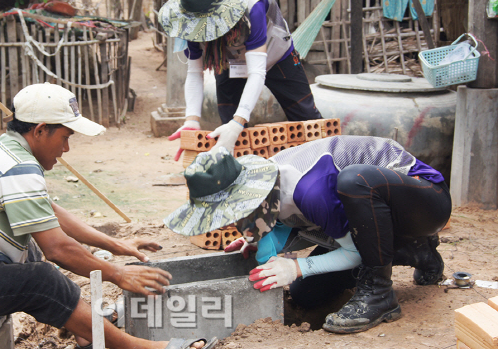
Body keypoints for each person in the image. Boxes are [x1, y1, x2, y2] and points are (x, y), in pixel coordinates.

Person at [0, 83, 216, 349]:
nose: (66, 149)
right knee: (40, 279)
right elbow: (58, 249)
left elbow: (48, 213)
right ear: (41, 130)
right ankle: (135, 347)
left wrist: (117, 243)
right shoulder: (18, 166)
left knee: (28, 249)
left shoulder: (5, 148)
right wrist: (119, 275)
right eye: (66, 136)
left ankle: (87, 331)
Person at [163, 136, 451, 333]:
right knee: (307, 293)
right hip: (376, 222)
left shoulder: (309, 189)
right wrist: (263, 237)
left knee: (353, 181)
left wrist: (298, 265)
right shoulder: (272, 184)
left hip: (424, 201)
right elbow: (291, 220)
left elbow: (353, 252)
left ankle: (379, 295)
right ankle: (415, 251)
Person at [159, 0, 322, 158]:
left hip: (275, 54)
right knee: (229, 130)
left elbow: (257, 72)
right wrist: (192, 119)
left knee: (307, 118)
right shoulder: (188, 22)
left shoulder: (254, 5)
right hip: (227, 60)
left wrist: (238, 122)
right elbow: (195, 72)